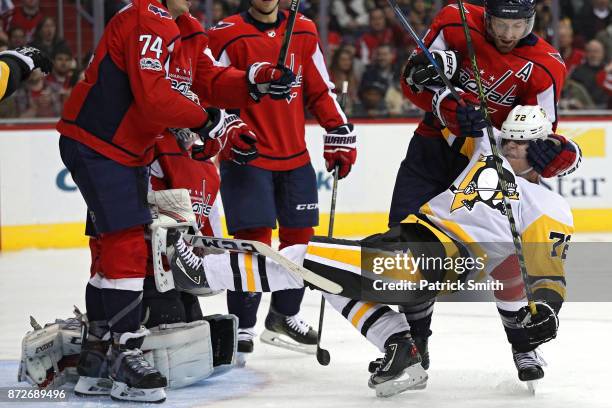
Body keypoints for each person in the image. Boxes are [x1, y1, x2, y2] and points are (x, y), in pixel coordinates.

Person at [166, 104, 571, 397]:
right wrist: (447, 95)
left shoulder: (546, 204)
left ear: (541, 150)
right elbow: (445, 107)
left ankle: (206, 274)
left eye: (523, 144)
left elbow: (549, 267)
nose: (512, 148)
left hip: (438, 259)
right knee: (326, 277)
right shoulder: (487, 151)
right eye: (509, 140)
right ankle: (399, 346)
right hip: (413, 243)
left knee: (305, 258)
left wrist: (547, 312)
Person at [56, 0, 295, 403]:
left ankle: (97, 356)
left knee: (108, 246)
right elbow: (155, 97)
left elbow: (208, 77)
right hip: (101, 144)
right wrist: (208, 120)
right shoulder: (147, 18)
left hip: (125, 148)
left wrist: (256, 79)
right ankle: (125, 354)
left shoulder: (183, 27)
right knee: (128, 243)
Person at [391, 0, 581, 365]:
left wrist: (552, 153)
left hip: (489, 161)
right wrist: (446, 106)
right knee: (405, 249)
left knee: (503, 251)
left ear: (531, 22)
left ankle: (523, 345)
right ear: (486, 16)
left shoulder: (545, 65)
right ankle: (416, 344)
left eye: (519, 27)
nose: (509, 35)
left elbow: (541, 130)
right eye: (501, 25)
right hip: (434, 148)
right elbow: (411, 81)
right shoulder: (453, 22)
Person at [207, 0, 356, 358]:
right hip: (248, 155)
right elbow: (209, 90)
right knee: (253, 243)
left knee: (301, 243)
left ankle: (284, 316)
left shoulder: (304, 29)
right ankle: (241, 325)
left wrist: (339, 130)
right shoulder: (225, 35)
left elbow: (320, 89)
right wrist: (228, 128)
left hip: (295, 158)